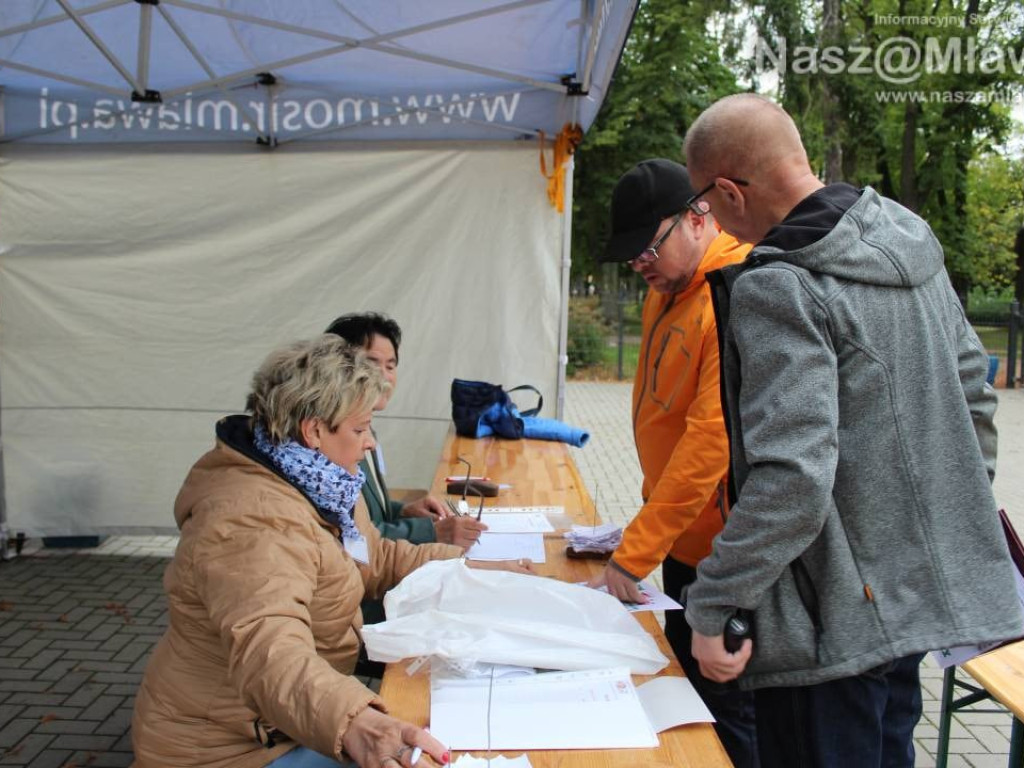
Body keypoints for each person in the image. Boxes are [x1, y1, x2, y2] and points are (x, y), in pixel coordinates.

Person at [681, 93, 1024, 767]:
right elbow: (974, 405)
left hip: (829, 632)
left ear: (728, 190)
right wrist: (914, 537)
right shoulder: (908, 239)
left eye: (705, 204)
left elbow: (792, 477)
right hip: (908, 609)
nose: (710, 220)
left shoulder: (778, 285)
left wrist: (713, 602)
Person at [132, 335, 531, 768]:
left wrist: (470, 567)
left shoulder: (323, 483)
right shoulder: (253, 520)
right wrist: (358, 723)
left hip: (281, 724)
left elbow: (375, 559)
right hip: (227, 748)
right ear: (315, 430)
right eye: (360, 429)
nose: (370, 443)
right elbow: (271, 653)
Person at [588, 158, 757, 767]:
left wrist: (636, 552)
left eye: (647, 249)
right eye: (631, 255)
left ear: (697, 216)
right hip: (683, 547)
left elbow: (711, 444)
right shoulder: (669, 288)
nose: (640, 265)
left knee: (727, 714)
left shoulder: (732, 293)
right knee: (689, 698)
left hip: (726, 555)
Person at [325, 313, 485, 551]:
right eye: (371, 363)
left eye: (390, 366)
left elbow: (366, 511)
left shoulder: (364, 431)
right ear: (339, 365)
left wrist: (401, 510)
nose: (384, 376)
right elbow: (353, 537)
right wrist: (431, 532)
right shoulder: (331, 439)